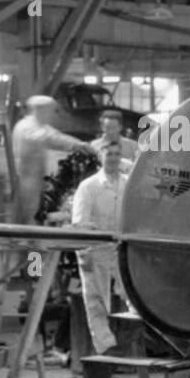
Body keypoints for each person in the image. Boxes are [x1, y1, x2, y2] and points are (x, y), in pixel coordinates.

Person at [70, 142, 127, 355]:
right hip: (95, 249)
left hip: (120, 249)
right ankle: (105, 347)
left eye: (116, 154)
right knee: (96, 299)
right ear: (101, 157)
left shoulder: (127, 184)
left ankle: (130, 342)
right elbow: (79, 223)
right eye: (109, 154)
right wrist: (84, 253)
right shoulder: (88, 186)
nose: (112, 158)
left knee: (131, 293)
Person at [10, 94, 91, 224]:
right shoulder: (26, 126)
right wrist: (76, 145)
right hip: (26, 181)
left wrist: (80, 144)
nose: (53, 116)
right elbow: (49, 138)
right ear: (42, 110)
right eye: (52, 111)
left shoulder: (38, 125)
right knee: (28, 216)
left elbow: (55, 135)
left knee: (33, 214)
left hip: (34, 180)